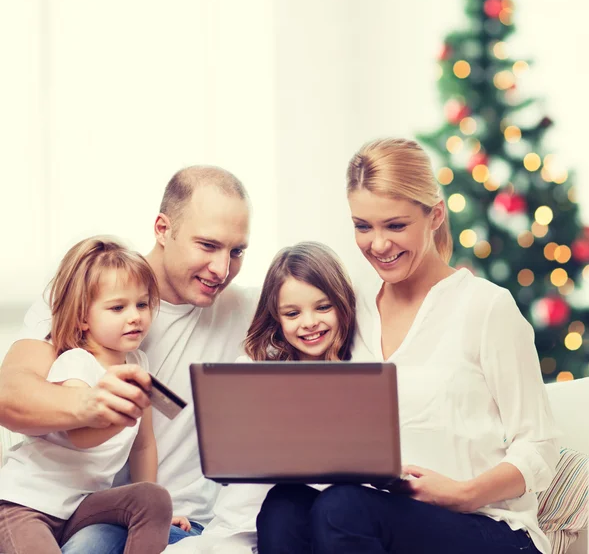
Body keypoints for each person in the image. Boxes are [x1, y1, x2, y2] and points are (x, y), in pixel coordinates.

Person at [256, 138, 560, 554]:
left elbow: (540, 447)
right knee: (284, 505)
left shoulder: (486, 307)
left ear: (434, 216)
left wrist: (464, 493)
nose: (377, 245)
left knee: (341, 508)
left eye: (395, 225)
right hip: (384, 517)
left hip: (488, 527)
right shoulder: (353, 308)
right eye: (363, 226)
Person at [0, 166, 259, 553]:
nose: (223, 270)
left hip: (180, 520)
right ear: (162, 229)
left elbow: (144, 443)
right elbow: (10, 395)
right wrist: (95, 406)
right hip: (72, 512)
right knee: (87, 546)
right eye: (207, 245)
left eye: (236, 251)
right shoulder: (88, 297)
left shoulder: (251, 310)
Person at [162, 241, 358, 554]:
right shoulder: (253, 370)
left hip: (311, 523)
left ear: (343, 304)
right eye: (292, 313)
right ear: (277, 318)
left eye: (322, 307)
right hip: (240, 525)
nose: (309, 322)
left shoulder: (359, 374)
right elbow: (229, 454)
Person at [0, 236, 176, 553]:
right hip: (26, 504)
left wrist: (157, 507)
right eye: (118, 307)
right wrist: (124, 412)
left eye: (142, 304)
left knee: (154, 497)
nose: (135, 316)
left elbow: (144, 444)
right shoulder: (76, 361)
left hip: (78, 506)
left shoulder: (139, 364)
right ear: (83, 317)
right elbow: (81, 435)